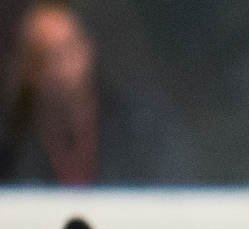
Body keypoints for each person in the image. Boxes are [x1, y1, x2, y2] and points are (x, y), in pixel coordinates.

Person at [0, 1, 198, 184]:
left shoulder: (138, 124)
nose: (60, 67)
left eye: (67, 50)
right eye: (43, 58)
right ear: (28, 70)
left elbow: (170, 192)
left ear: (86, 48)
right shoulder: (15, 136)